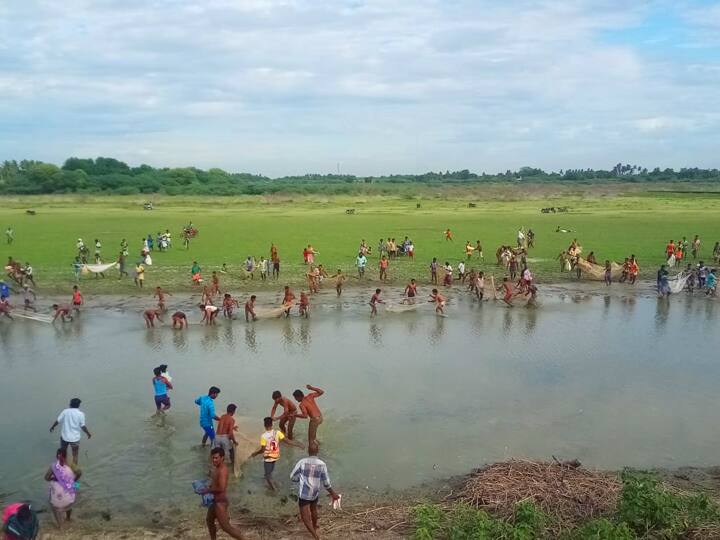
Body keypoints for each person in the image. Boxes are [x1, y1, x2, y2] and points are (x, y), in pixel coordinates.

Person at [290, 441, 341, 540]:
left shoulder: (302, 462)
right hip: (315, 493)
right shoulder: (322, 464)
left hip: (304, 494)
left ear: (308, 451)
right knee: (314, 510)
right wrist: (333, 493)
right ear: (318, 451)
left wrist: (299, 479)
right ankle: (315, 526)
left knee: (305, 517)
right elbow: (326, 483)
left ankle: (315, 535)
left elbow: (292, 477)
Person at [250, 417, 302, 491]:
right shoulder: (277, 432)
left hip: (268, 457)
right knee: (269, 472)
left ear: (264, 425)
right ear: (272, 424)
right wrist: (298, 444)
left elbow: (263, 450)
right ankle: (269, 478)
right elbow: (287, 441)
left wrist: (255, 453)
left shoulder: (263, 436)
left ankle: (274, 490)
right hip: (275, 456)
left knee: (268, 476)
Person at [204, 447, 245, 540]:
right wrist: (208, 486)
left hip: (220, 502)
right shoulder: (217, 468)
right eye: (213, 458)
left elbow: (221, 488)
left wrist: (207, 491)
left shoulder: (222, 470)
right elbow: (216, 483)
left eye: (216, 458)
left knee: (226, 528)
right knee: (209, 521)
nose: (214, 460)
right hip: (215, 501)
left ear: (222, 458)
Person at [44, 448, 80, 529]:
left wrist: (54, 478)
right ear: (66, 456)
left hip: (57, 500)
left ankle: (60, 525)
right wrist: (73, 482)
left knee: (52, 499)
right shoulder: (71, 464)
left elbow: (46, 478)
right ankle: (68, 518)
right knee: (75, 489)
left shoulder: (53, 466)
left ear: (57, 456)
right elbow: (79, 473)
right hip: (69, 498)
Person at [49, 398, 91, 465]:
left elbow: (58, 421)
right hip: (75, 439)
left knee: (63, 452)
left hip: (64, 437)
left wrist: (52, 427)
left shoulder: (65, 411)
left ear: (70, 404)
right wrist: (88, 433)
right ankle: (73, 472)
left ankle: (62, 467)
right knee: (75, 455)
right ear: (79, 405)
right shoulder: (81, 414)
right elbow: (83, 426)